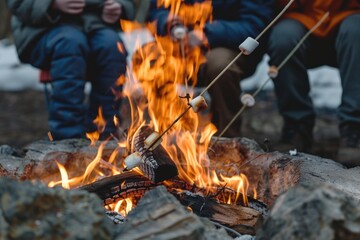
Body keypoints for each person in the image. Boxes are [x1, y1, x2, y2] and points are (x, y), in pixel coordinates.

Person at [6, 0, 135, 140]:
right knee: (70, 43)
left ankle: (105, 133)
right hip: (42, 29)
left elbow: (128, 3)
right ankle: (67, 136)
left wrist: (119, 7)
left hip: (93, 27)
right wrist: (51, 4)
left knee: (112, 46)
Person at [147, 0, 274, 137]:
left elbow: (255, 26)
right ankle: (164, 134)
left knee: (221, 66)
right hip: (180, 43)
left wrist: (206, 33)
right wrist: (167, 21)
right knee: (148, 60)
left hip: (228, 44)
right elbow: (157, 10)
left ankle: (226, 139)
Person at [267, 0, 360, 166]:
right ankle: (296, 127)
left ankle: (354, 129)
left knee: (356, 31)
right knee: (283, 38)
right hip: (301, 17)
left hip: (349, 14)